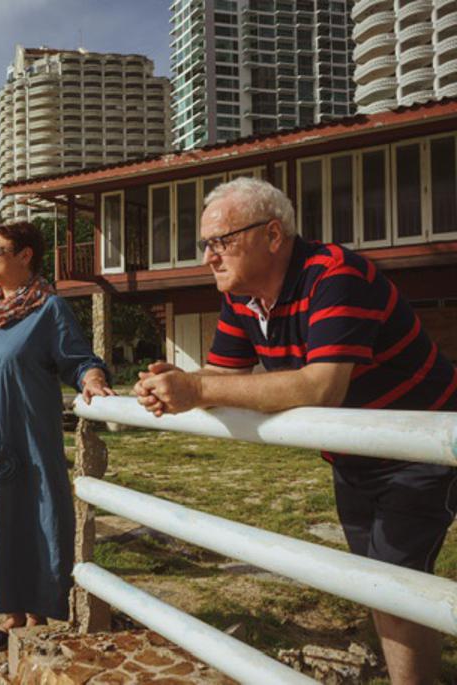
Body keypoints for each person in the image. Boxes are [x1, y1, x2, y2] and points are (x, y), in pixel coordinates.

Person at [135, 177, 457, 685]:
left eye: (221, 242)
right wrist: (172, 382)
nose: (208, 258)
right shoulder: (243, 298)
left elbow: (321, 385)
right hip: (354, 454)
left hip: (421, 447)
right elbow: (223, 374)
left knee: (397, 589)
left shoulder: (334, 275)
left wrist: (196, 390)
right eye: (205, 245)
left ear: (273, 235)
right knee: (378, 586)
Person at [0, 221, 114, 652]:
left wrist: (93, 378)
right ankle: (10, 615)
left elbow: (78, 359)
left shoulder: (49, 311)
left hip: (26, 436)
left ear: (26, 256)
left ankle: (36, 613)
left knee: (33, 517)